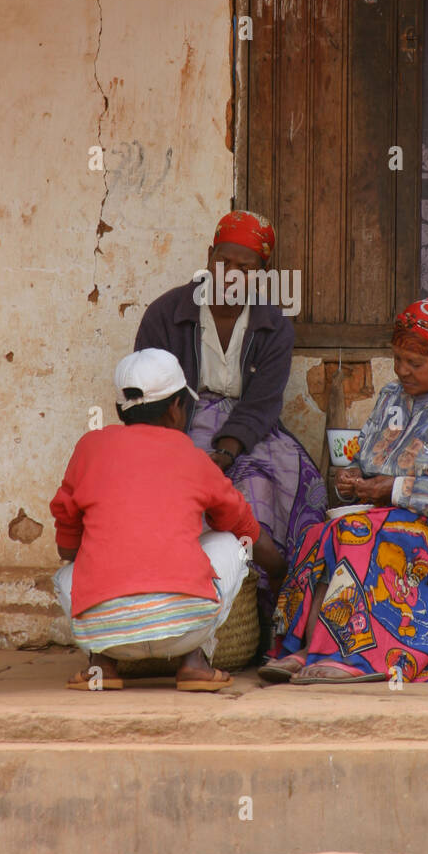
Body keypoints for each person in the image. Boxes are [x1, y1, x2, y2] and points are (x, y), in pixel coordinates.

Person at [260, 298, 428, 685]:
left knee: (355, 535)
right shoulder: (393, 398)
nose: (402, 371)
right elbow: (367, 455)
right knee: (317, 533)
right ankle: (309, 646)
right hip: (389, 512)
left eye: (415, 363)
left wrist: (396, 489)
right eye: (398, 359)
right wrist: (355, 479)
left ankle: (354, 654)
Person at [133, 210, 327, 628]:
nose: (234, 273)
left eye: (247, 266)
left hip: (249, 431)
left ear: (262, 274)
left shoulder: (274, 326)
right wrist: (180, 453)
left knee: (268, 488)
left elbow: (263, 401)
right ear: (209, 257)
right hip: (178, 426)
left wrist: (226, 451)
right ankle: (187, 607)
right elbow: (149, 392)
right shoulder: (166, 314)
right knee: (179, 495)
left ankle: (263, 615)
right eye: (226, 261)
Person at [50, 348, 280, 692]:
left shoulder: (89, 448)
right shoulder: (193, 456)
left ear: (118, 408)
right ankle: (194, 662)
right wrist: (281, 572)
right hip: (185, 629)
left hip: (106, 631)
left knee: (67, 572)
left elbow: (67, 545)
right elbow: (243, 525)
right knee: (230, 541)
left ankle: (102, 664)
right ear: (177, 409)